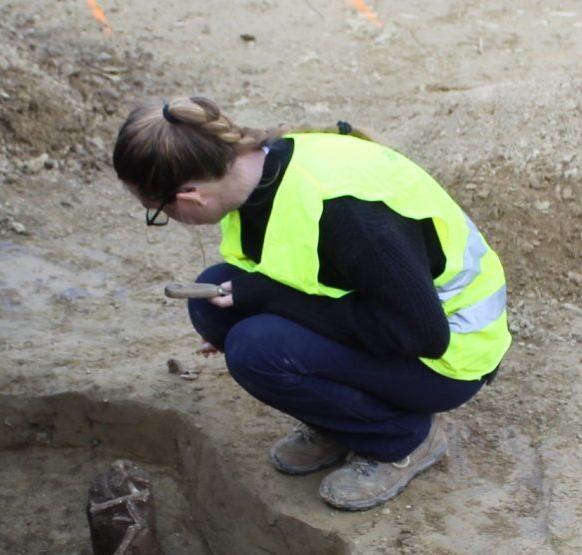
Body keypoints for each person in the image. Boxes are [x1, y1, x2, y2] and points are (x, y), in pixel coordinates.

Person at [113, 96, 510, 511]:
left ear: (191, 196)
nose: (167, 219)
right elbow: (305, 267)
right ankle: (342, 422)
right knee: (212, 298)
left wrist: (271, 302)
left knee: (256, 350)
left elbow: (421, 334)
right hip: (395, 318)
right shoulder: (256, 173)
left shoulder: (350, 216)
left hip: (451, 355)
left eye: (159, 212)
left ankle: (401, 439)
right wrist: (264, 301)